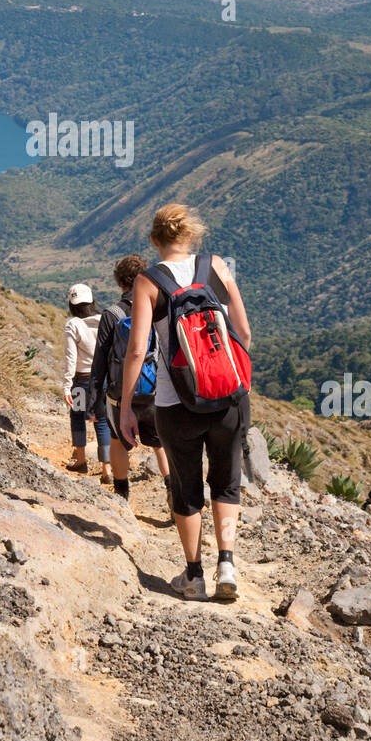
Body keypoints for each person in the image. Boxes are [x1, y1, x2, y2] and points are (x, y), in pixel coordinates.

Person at [120, 203, 252, 602]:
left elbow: (137, 350)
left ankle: (194, 575)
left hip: (175, 403)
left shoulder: (147, 281)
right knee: (226, 483)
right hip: (229, 397)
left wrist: (127, 405)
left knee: (186, 486)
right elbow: (243, 332)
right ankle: (226, 563)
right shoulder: (217, 267)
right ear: (190, 235)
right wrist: (228, 377)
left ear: (155, 240)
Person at [89, 254, 171, 508]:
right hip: (156, 392)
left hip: (119, 393)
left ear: (119, 281)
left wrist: (93, 400)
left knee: (118, 441)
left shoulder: (112, 314)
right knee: (162, 445)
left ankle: (122, 496)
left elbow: (100, 360)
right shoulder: (158, 309)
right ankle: (172, 491)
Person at [63, 284, 111, 482]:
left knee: (77, 417)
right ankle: (107, 469)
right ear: (92, 302)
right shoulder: (104, 320)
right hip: (104, 381)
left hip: (82, 383)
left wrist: (67, 385)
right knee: (102, 421)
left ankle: (81, 460)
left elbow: (70, 359)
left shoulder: (72, 324)